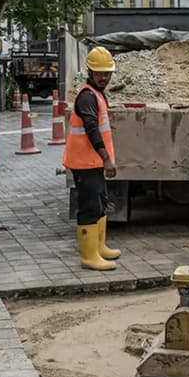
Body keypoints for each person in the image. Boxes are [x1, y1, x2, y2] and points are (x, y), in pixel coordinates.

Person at [62, 47, 121, 271]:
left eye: (107, 73)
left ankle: (99, 247)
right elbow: (91, 129)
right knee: (89, 208)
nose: (104, 77)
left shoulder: (97, 94)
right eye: (99, 73)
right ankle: (89, 256)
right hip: (85, 163)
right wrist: (106, 159)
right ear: (90, 72)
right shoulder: (87, 96)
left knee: (100, 204)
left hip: (92, 162)